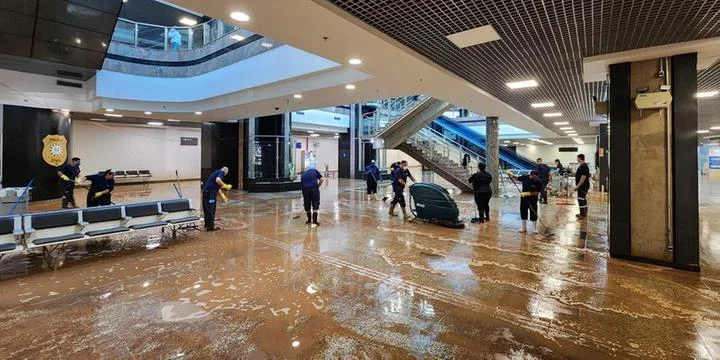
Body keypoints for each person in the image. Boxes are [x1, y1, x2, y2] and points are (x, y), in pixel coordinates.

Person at [506, 170, 543, 234]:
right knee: (523, 211)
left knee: (533, 213)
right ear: (530, 175)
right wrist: (511, 174)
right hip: (524, 199)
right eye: (533, 177)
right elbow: (517, 178)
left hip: (533, 199)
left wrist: (527, 193)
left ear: (537, 176)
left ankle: (534, 228)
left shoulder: (538, 181)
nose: (534, 178)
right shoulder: (525, 177)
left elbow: (537, 192)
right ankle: (524, 227)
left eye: (536, 177)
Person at [202, 167, 231, 231]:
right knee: (211, 209)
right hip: (210, 193)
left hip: (206, 192)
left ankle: (207, 224)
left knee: (207, 208)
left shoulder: (216, 173)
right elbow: (218, 180)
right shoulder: (221, 172)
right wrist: (226, 185)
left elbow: (218, 188)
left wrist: (223, 196)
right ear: (225, 172)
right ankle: (210, 227)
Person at [574, 154, 591, 220]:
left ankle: (582, 214)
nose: (577, 159)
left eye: (577, 158)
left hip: (583, 186)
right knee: (583, 199)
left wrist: (577, 186)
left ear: (579, 158)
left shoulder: (583, 166)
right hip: (583, 186)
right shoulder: (583, 166)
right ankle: (584, 212)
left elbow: (583, 177)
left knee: (580, 199)